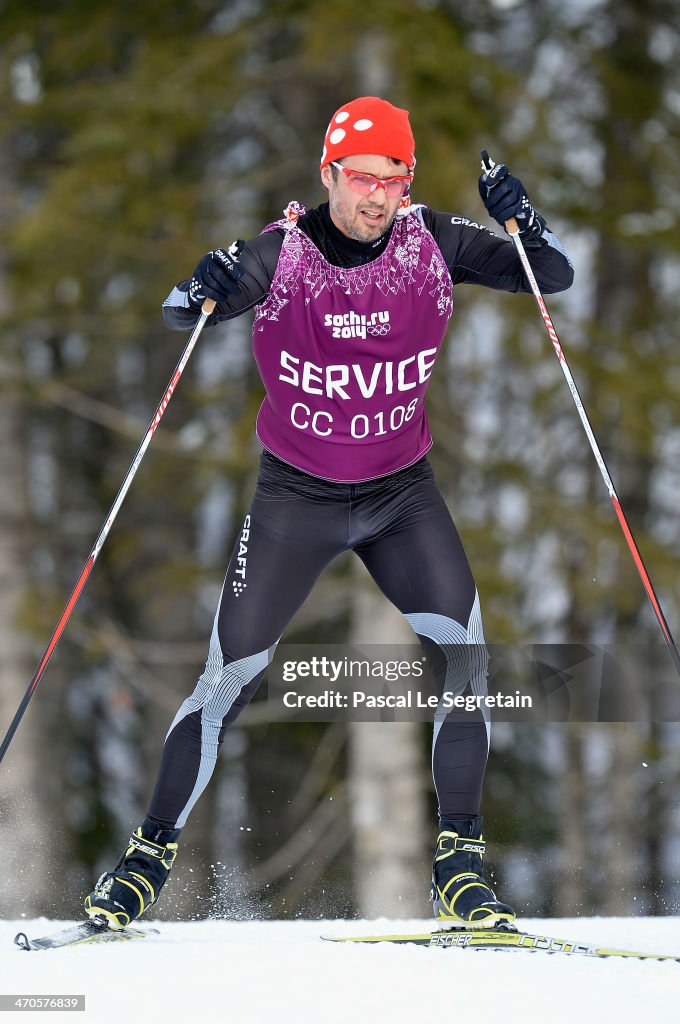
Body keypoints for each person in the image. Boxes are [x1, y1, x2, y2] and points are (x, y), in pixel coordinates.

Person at [85, 96, 573, 930]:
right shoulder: (285, 255)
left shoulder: (434, 244)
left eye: (393, 178)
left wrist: (523, 222)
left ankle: (460, 863)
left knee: (466, 657)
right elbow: (180, 308)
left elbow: (551, 276)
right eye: (360, 178)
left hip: (400, 496)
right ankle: (145, 859)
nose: (376, 196)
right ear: (328, 173)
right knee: (225, 680)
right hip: (296, 499)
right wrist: (203, 282)